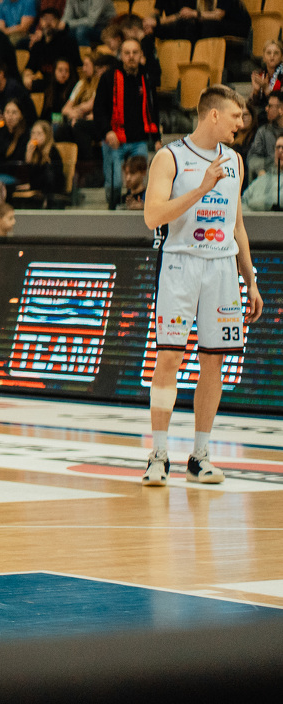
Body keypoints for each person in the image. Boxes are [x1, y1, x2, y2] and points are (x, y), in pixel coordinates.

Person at [141, 85, 262, 486]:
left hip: (222, 267)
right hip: (180, 264)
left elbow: (237, 225)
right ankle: (159, 455)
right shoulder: (170, 157)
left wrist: (250, 279)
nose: (241, 123)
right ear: (214, 115)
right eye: (235, 116)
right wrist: (200, 189)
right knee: (169, 358)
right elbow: (152, 216)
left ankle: (200, 455)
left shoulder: (236, 160)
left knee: (214, 361)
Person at [95, 38, 159, 208]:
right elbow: (99, 109)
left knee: (139, 183)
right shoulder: (108, 77)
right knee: (115, 184)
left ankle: (135, 210)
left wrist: (157, 137)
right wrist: (107, 131)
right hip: (114, 139)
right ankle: (113, 209)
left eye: (135, 52)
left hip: (138, 139)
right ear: (121, 56)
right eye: (127, 53)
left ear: (141, 55)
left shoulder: (147, 77)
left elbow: (153, 108)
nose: (131, 56)